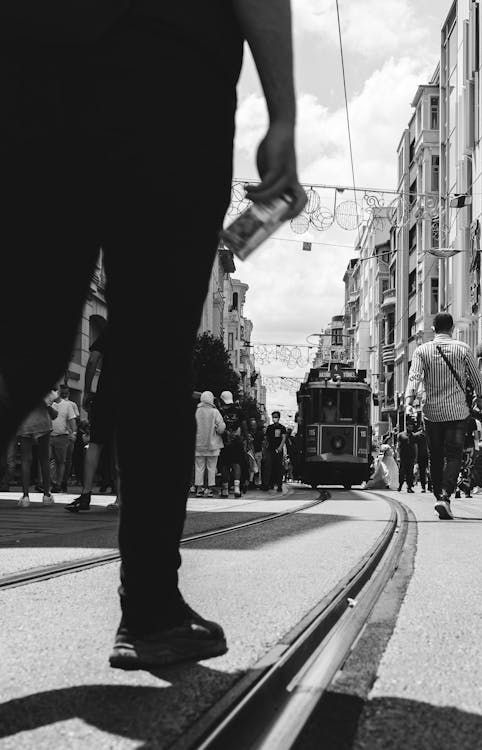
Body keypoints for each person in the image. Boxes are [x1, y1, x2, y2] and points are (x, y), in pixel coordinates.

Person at [0, 1, 306, 670]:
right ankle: (150, 612)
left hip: (34, 52)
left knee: (22, 343)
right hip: (170, 69)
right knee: (153, 353)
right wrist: (282, 114)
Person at [405, 312, 482, 520]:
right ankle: (445, 495)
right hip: (458, 412)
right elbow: (477, 379)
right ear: (451, 328)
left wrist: (409, 400)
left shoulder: (422, 350)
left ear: (433, 329)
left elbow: (414, 377)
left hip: (432, 413)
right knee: (454, 455)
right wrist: (480, 397)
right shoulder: (463, 349)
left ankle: (438, 495)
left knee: (436, 456)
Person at [65, 326, 120, 513]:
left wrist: (87, 391)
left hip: (106, 396)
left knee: (95, 443)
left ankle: (86, 494)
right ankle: (121, 499)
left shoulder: (111, 331)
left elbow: (92, 361)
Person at [15, 392, 58, 507]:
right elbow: (53, 414)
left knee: (25, 460)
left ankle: (25, 497)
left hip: (25, 424)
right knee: (44, 459)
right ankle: (46, 495)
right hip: (43, 424)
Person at [194, 391, 226, 498]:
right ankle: (210, 489)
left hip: (198, 445)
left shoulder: (196, 412)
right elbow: (221, 427)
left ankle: (199, 488)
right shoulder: (215, 412)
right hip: (213, 445)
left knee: (199, 467)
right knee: (212, 467)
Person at [218, 391, 247, 499]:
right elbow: (244, 426)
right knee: (236, 464)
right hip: (237, 441)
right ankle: (237, 488)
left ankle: (225, 489)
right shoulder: (239, 411)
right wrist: (246, 439)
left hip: (224, 441)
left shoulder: (220, 411)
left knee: (224, 465)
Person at [49, 388, 78, 493]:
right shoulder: (48, 404)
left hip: (62, 437)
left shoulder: (68, 405)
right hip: (48, 436)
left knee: (61, 462)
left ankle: (59, 484)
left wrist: (74, 433)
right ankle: (50, 482)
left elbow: (72, 420)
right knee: (48, 460)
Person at [58, 384, 80, 491]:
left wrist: (74, 433)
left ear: (68, 393)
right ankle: (58, 481)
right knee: (60, 460)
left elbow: (76, 420)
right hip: (60, 434)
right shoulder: (55, 403)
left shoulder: (72, 404)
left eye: (65, 392)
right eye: (62, 392)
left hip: (69, 436)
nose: (64, 394)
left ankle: (64, 481)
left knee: (67, 460)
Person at [263, 411, 287, 492]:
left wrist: (280, 447)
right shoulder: (269, 428)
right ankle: (269, 484)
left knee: (278, 467)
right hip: (270, 449)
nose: (274, 418)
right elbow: (266, 439)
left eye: (276, 417)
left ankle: (279, 485)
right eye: (273, 417)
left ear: (279, 418)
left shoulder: (282, 428)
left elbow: (284, 438)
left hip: (278, 450)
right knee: (269, 467)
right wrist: (265, 449)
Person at [396, 422, 415, 492]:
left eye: (412, 427)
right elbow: (398, 446)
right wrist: (398, 456)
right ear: (406, 427)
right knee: (402, 472)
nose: (411, 428)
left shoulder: (413, 435)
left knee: (410, 473)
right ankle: (400, 486)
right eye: (409, 427)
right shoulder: (401, 435)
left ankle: (409, 487)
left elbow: (415, 446)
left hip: (411, 457)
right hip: (403, 456)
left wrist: (415, 457)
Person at [412, 423, 430, 493]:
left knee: (430, 472)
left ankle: (430, 486)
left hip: (430, 455)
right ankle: (423, 487)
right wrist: (416, 458)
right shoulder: (417, 435)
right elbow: (415, 447)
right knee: (422, 471)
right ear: (421, 426)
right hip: (421, 455)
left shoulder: (430, 434)